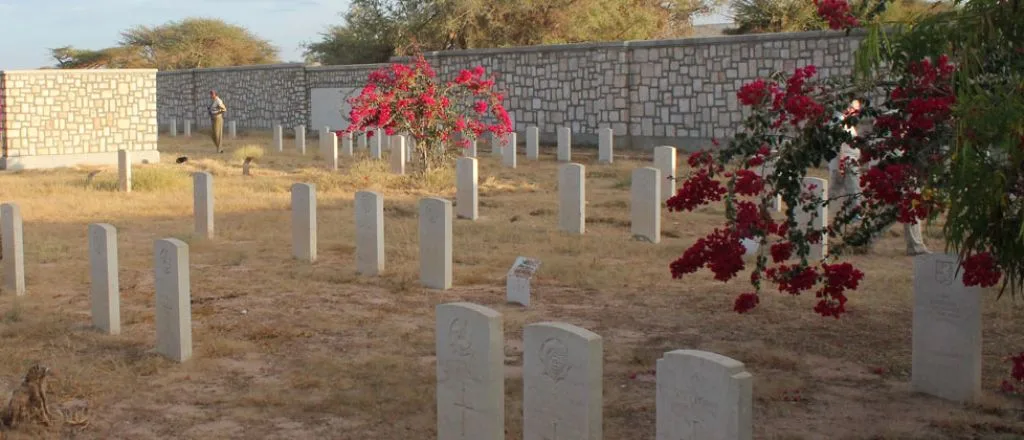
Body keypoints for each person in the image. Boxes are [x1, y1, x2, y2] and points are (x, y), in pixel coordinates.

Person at [835, 100, 930, 256]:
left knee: (894, 210)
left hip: (902, 169)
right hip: (896, 169)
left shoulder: (908, 119)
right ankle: (871, 241)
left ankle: (868, 240)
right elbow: (885, 148)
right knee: (896, 209)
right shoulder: (892, 119)